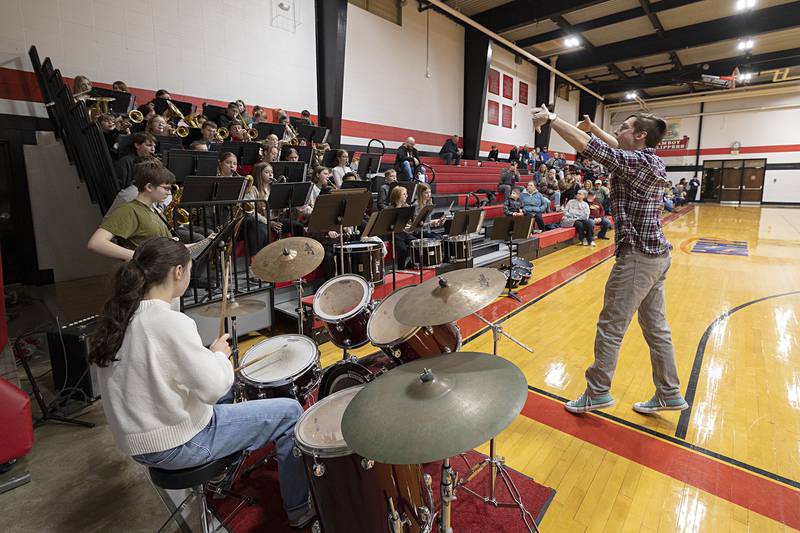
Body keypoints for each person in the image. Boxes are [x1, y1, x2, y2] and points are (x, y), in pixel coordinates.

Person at [88, 237, 315, 528]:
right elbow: (213, 386)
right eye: (190, 270)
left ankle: (223, 469)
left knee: (227, 393)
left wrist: (208, 358)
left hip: (138, 442)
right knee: (290, 412)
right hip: (175, 444)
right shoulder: (168, 323)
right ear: (178, 272)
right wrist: (219, 357)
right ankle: (298, 510)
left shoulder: (121, 315)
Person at [533, 104, 687, 414]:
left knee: (610, 327)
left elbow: (592, 148)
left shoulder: (636, 163)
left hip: (638, 259)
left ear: (641, 135)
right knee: (657, 328)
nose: (617, 131)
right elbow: (613, 145)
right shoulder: (650, 160)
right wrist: (593, 127)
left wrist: (552, 118)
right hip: (657, 257)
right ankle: (669, 393)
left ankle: (597, 391)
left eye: (625, 127)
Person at [87, 161, 176, 260]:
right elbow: (96, 243)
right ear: (149, 187)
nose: (168, 193)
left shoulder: (156, 211)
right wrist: (139, 257)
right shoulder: (128, 210)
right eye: (166, 188)